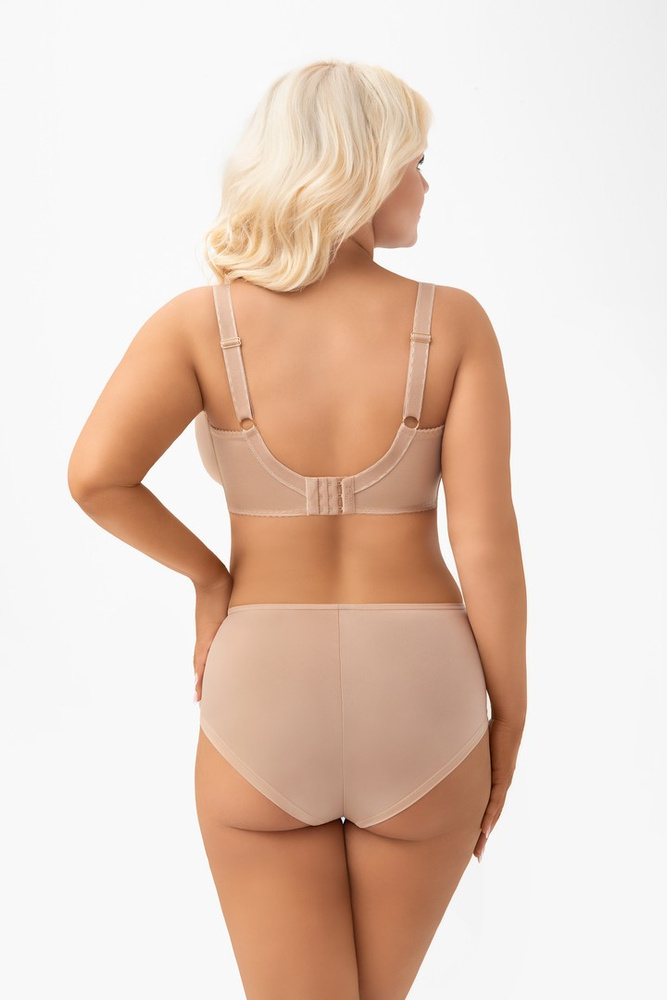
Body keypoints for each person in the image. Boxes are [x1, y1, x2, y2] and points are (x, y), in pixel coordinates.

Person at [68, 59, 527, 1000]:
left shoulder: (197, 326)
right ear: (363, 170)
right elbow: (485, 548)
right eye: (415, 161)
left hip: (261, 689)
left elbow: (95, 477)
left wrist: (210, 579)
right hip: (423, 696)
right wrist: (509, 719)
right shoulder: (454, 326)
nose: (426, 184)